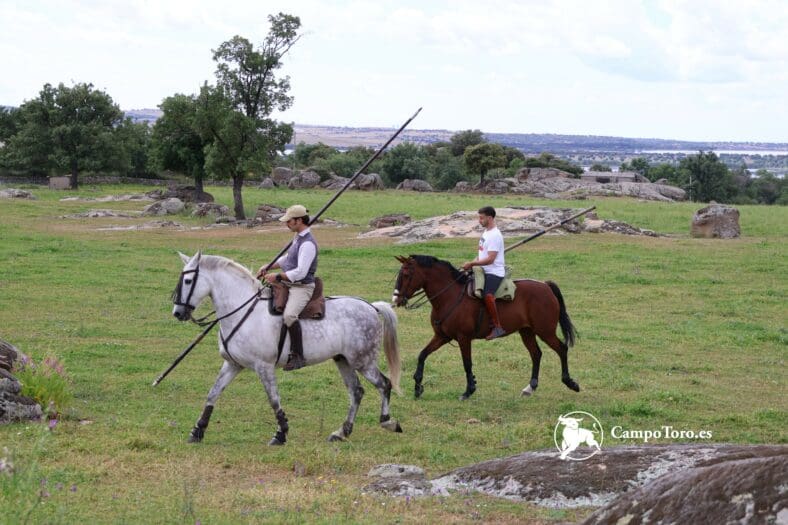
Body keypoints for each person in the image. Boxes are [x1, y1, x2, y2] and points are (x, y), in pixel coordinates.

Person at [257, 204, 318, 370]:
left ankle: (298, 356)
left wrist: (277, 276)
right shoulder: (298, 238)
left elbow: (300, 272)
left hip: (301, 287)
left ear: (299, 220)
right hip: (288, 283)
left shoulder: (308, 244)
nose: (286, 224)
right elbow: (288, 259)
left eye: (289, 221)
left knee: (290, 316)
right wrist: (270, 266)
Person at [462, 206, 506, 340]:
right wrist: (473, 262)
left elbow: (490, 259)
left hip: (494, 272)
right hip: (482, 269)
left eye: (481, 218)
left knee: (487, 295)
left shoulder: (495, 235)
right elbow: (482, 254)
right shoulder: (486, 232)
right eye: (479, 217)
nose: (479, 220)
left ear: (490, 218)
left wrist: (472, 264)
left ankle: (497, 327)